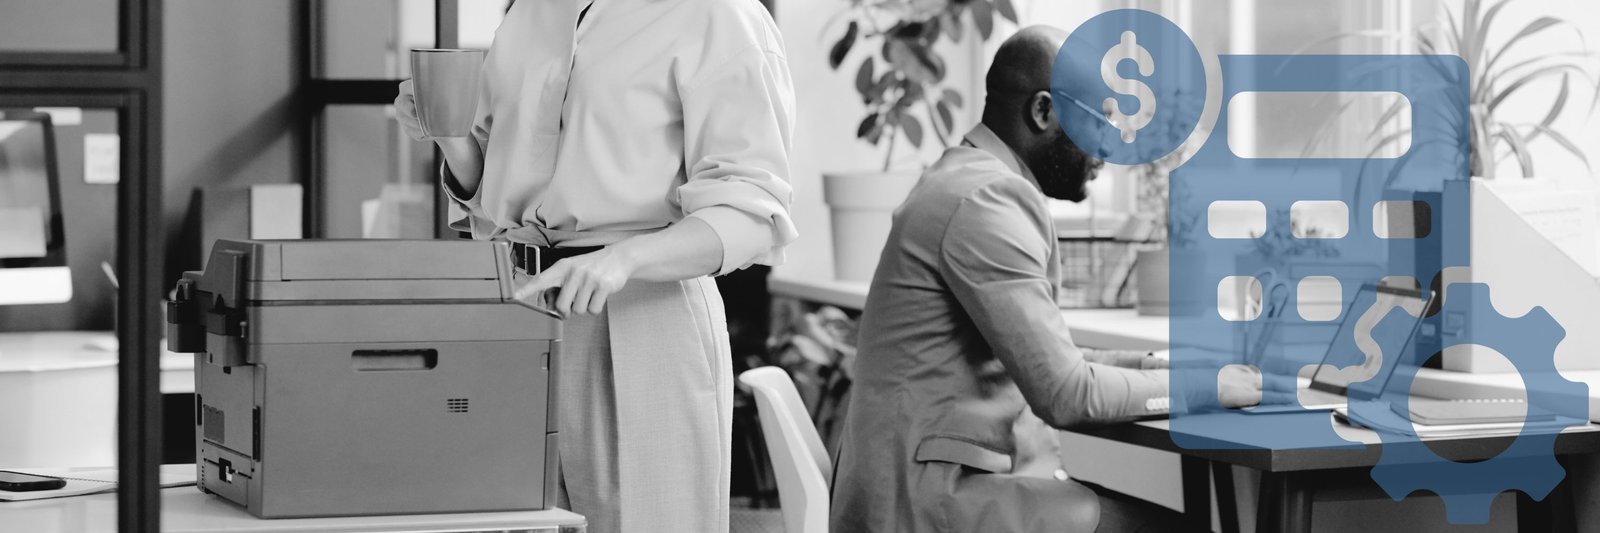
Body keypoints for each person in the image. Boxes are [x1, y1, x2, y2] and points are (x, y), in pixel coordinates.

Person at [829, 26, 1261, 533]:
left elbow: (1053, 357)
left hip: (917, 484)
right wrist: (1207, 386)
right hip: (923, 504)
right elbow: (1067, 393)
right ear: (1043, 112)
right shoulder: (985, 200)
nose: (1110, 151)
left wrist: (1163, 365)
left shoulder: (966, 179)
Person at [393, 0, 798, 531]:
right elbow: (491, 193)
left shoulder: (716, 14)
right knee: (508, 518)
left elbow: (751, 210)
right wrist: (446, 132)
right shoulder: (528, 15)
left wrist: (623, 259)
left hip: (640, 314)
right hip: (517, 310)